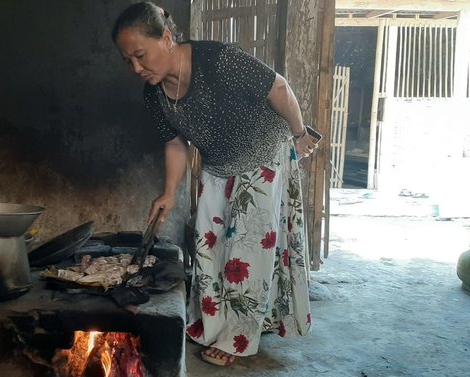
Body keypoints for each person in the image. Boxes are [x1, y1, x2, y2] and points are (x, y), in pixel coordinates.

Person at [112, 1, 317, 366]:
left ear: (167, 38)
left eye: (141, 56)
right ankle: (212, 323)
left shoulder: (218, 60)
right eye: (128, 61)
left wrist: (300, 134)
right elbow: (176, 142)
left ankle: (238, 336)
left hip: (261, 154)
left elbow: (280, 88)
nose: (136, 68)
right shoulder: (154, 93)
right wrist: (169, 193)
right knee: (208, 243)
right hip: (217, 162)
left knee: (247, 250)